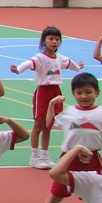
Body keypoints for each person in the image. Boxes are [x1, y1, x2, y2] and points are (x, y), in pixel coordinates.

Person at [31, 72, 102, 203]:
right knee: (56, 195)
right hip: (68, 159)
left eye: (88, 92)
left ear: (97, 93)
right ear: (73, 94)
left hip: (92, 159)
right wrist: (51, 105)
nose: (84, 96)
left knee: (97, 197)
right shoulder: (68, 112)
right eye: (79, 92)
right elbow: (48, 124)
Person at [9, 26, 79, 169]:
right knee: (38, 126)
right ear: (43, 41)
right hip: (43, 93)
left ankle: (45, 156)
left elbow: (69, 63)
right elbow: (29, 63)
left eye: (57, 39)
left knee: (48, 126)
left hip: (56, 92)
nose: (54, 42)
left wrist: (78, 67)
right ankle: (34, 157)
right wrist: (18, 70)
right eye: (51, 39)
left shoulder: (59, 58)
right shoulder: (40, 58)